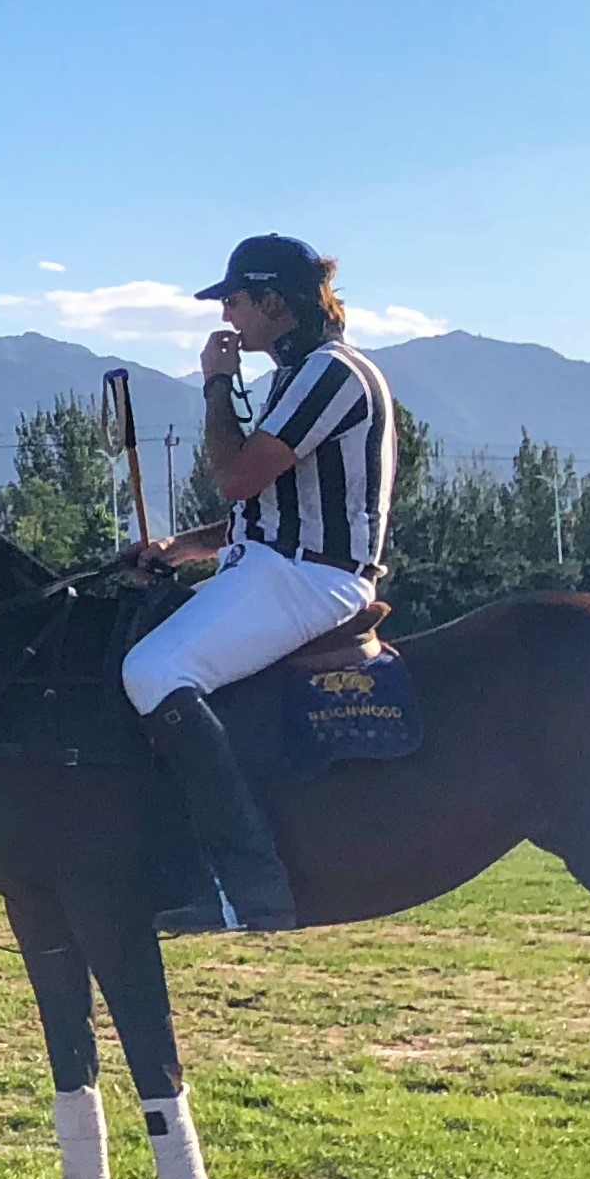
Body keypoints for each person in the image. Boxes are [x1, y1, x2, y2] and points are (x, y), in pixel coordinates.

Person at [116, 235, 398, 934]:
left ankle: (247, 889)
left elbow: (237, 475)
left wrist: (215, 382)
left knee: (152, 669)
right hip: (277, 566)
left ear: (274, 302)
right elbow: (263, 505)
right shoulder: (299, 378)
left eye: (236, 301)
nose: (229, 319)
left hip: (313, 579)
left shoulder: (330, 374)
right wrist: (183, 547)